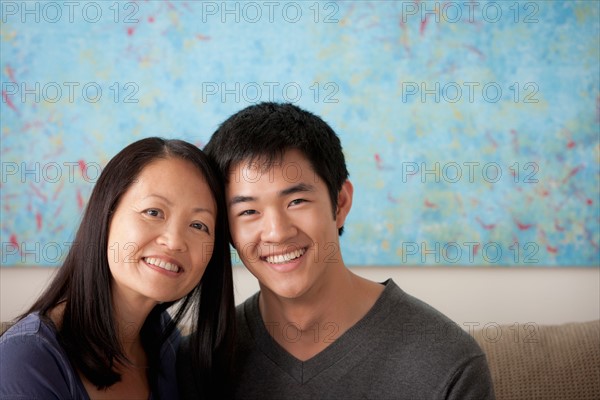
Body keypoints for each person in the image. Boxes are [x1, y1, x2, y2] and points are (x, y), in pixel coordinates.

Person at [178, 102, 495, 399]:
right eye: (248, 212)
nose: (277, 232)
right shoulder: (198, 362)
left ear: (340, 203)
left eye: (296, 201)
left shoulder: (446, 361)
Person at [0, 137, 235, 399]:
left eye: (198, 225)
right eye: (153, 212)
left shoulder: (166, 344)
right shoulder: (27, 358)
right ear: (106, 214)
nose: (175, 241)